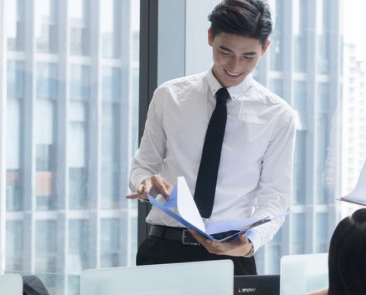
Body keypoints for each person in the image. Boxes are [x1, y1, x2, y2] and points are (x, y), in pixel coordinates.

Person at [126, 0, 296, 275]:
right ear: (210, 37)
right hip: (163, 250)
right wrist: (144, 182)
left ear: (265, 48)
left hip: (231, 255)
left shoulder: (278, 115)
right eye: (225, 52)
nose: (235, 66)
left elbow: (275, 196)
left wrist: (250, 244)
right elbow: (143, 167)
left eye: (248, 56)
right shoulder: (169, 96)